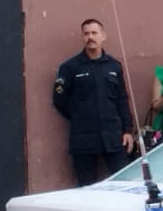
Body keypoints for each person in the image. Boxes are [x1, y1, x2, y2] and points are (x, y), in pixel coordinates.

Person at [52, 18, 135, 186]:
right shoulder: (70, 67)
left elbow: (122, 99)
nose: (90, 37)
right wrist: (78, 116)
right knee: (86, 187)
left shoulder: (114, 66)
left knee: (124, 182)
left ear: (103, 36)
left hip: (113, 136)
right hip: (83, 138)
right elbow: (59, 98)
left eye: (94, 33)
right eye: (86, 33)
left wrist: (127, 130)